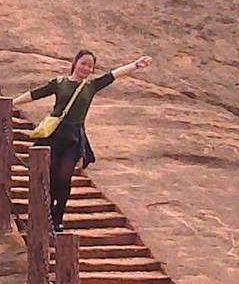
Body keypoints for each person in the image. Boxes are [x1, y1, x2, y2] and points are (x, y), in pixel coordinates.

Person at [13, 49, 152, 231]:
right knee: (50, 174)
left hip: (73, 137)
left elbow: (113, 75)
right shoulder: (60, 83)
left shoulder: (91, 86)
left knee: (64, 176)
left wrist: (135, 65)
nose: (85, 68)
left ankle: (57, 218)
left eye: (90, 66)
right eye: (83, 63)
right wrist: (12, 102)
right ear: (75, 63)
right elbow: (35, 93)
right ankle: (43, 213)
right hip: (54, 135)